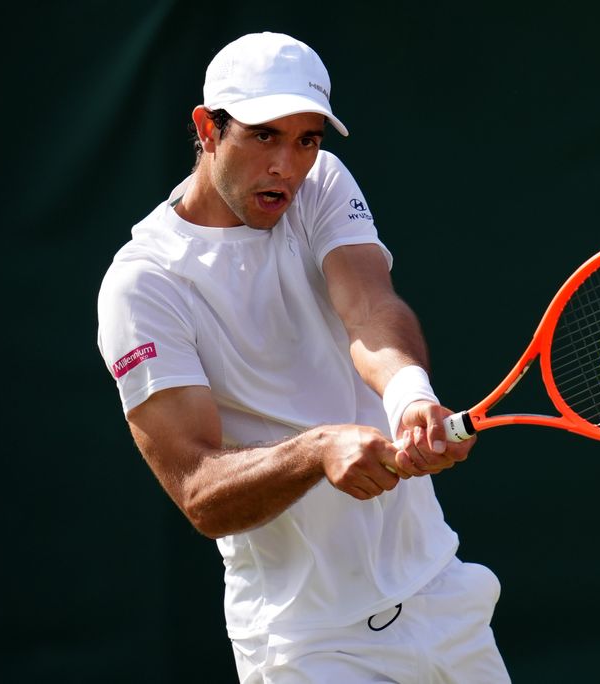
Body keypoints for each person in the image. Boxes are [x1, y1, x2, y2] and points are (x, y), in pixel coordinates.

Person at [96, 31, 510, 682]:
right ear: (207, 129)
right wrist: (316, 452)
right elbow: (199, 491)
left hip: (443, 597)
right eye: (264, 136)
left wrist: (410, 396)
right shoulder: (143, 285)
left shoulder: (321, 183)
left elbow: (369, 306)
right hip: (308, 647)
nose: (286, 166)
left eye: (306, 140)